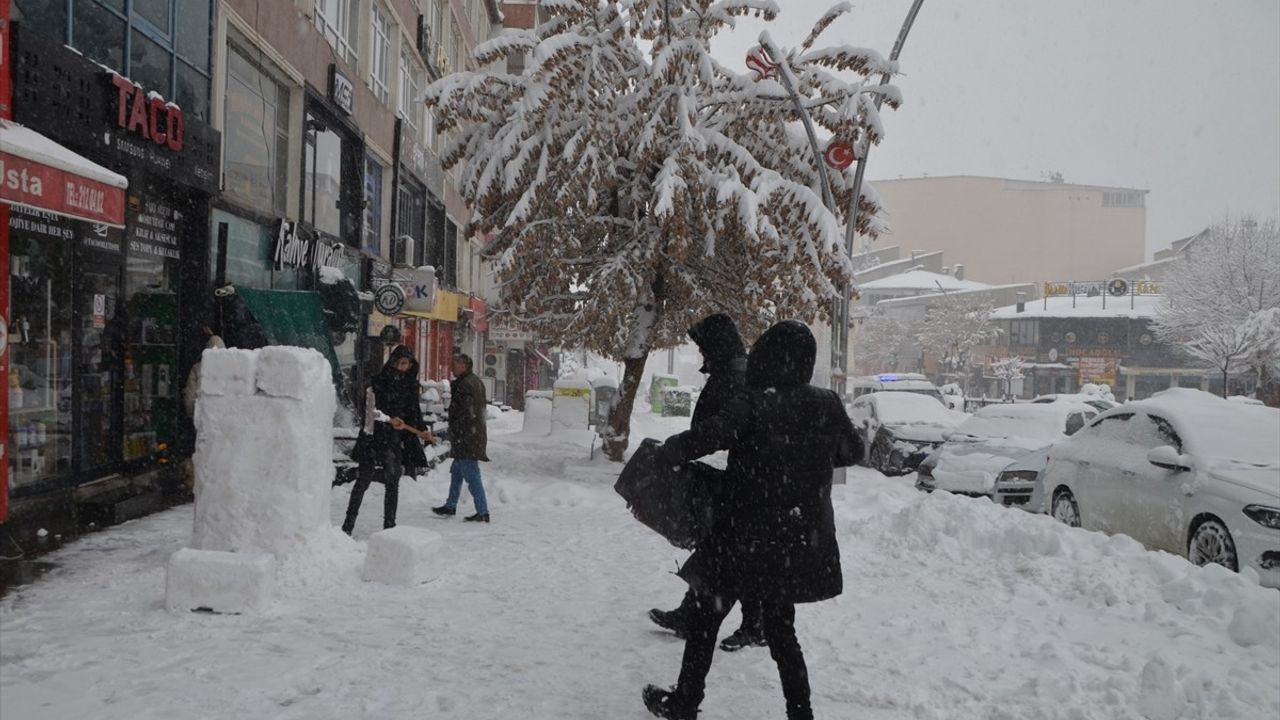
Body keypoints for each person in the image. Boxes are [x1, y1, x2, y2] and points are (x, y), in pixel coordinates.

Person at [643, 320, 862, 720]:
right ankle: (801, 714)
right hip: (797, 540)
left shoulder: (754, 402)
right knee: (782, 631)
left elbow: (705, 438)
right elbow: (852, 451)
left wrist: (666, 453)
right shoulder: (827, 403)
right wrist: (806, 456)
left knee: (706, 618)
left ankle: (685, 703)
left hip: (744, 538)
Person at [648, 313, 766, 652]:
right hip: (735, 478)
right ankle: (699, 615)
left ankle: (750, 624)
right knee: (720, 553)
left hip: (737, 481)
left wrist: (680, 450)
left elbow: (719, 430)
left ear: (717, 345)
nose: (700, 354)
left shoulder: (734, 376)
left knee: (728, 556)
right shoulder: (733, 371)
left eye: (703, 347)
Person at [342, 345, 431, 534]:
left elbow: (413, 411)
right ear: (391, 361)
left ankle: (389, 527)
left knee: (393, 481)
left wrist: (422, 430)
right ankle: (348, 525)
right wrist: (389, 418)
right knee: (363, 480)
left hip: (393, 439)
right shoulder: (379, 381)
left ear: (410, 364)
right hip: (373, 435)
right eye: (398, 362)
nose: (400, 367)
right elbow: (371, 409)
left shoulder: (410, 384)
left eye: (404, 363)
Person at [433, 354, 491, 522]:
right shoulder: (474, 381)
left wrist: (458, 431)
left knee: (472, 475)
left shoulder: (465, 385)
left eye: (456, 364)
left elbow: (465, 412)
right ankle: (450, 506)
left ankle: (482, 511)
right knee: (457, 472)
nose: (453, 367)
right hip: (471, 435)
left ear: (465, 366)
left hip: (467, 437)